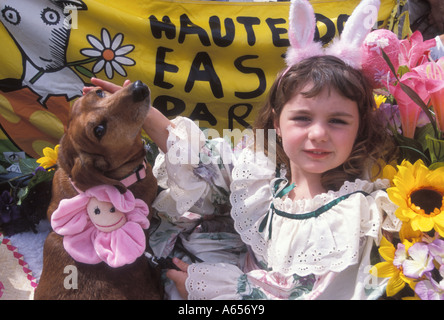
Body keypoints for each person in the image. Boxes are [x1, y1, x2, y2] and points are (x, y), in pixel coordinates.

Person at [84, 0, 400, 299]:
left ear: (359, 128)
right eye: (302, 118)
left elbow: (311, 293)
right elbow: (212, 168)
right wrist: (143, 114)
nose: (318, 134)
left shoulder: (358, 213)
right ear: (277, 122)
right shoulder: (267, 172)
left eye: (338, 121)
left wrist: (209, 289)